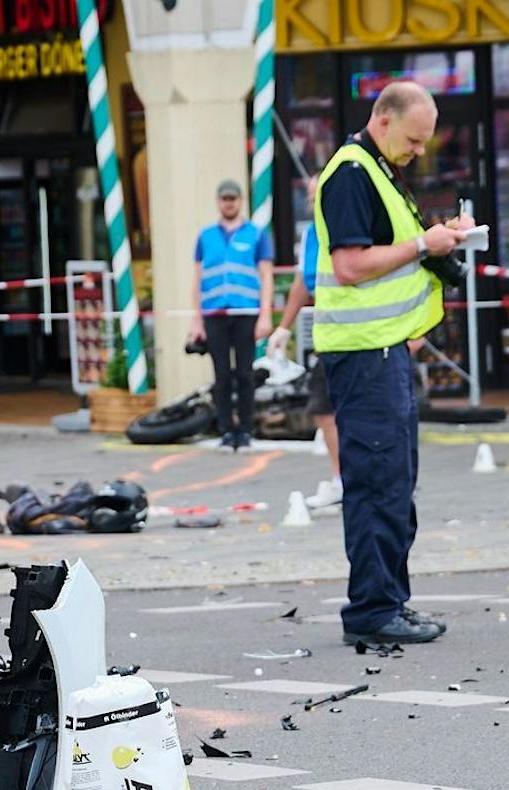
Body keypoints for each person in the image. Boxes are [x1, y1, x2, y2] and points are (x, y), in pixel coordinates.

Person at [312, 81, 472, 647]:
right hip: (365, 355)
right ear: (383, 120)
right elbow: (352, 265)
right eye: (413, 139)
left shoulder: (377, 171)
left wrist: (437, 241)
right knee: (377, 485)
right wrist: (424, 246)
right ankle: (373, 610)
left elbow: (391, 252)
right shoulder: (353, 173)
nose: (419, 151)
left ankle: (389, 603)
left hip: (384, 352)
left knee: (394, 485)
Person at [191, 179, 274, 452]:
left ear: (240, 201)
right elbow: (197, 279)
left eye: (233, 198)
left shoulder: (256, 234)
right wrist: (197, 319)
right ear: (218, 202)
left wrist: (265, 316)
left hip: (246, 311)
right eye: (225, 198)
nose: (229, 203)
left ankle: (246, 429)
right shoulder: (205, 237)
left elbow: (266, 277)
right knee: (222, 375)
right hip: (214, 312)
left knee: (245, 374)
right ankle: (227, 429)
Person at [271, 216, 342, 509]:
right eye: (310, 198)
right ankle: (342, 480)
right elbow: (302, 282)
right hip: (329, 335)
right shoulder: (311, 233)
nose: (315, 204)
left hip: (361, 333)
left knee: (364, 411)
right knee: (324, 409)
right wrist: (284, 327)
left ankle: (381, 481)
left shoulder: (348, 223)